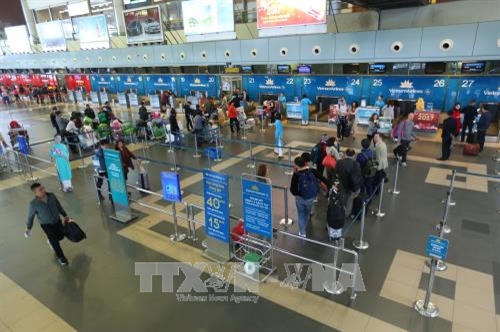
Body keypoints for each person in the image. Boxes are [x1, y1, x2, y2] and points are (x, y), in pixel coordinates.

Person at [25, 183, 71, 266]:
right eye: (41, 190)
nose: (43, 190)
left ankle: (50, 240)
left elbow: (58, 206)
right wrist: (29, 227)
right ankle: (62, 257)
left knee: (61, 236)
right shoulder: (33, 204)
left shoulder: (52, 196)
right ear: (35, 193)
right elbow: (30, 217)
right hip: (46, 225)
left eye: (43, 188)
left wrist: (65, 215)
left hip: (57, 221)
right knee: (55, 242)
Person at [290, 156, 328, 238]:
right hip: (310, 198)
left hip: (300, 199)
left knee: (301, 215)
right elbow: (323, 178)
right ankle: (305, 226)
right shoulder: (312, 171)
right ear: (305, 163)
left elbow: (292, 190)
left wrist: (298, 194)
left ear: (296, 165)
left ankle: (302, 232)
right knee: (307, 213)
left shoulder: (296, 175)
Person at [335, 149, 364, 218]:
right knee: (349, 200)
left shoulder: (339, 162)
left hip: (342, 184)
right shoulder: (356, 164)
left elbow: (336, 172)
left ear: (345, 154)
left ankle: (341, 210)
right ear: (354, 155)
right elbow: (358, 175)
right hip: (352, 185)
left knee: (342, 197)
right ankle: (347, 214)